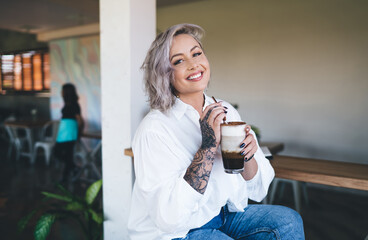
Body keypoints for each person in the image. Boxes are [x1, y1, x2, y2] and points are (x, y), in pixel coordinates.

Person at [128, 23, 305, 240]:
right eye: (179, 60)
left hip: (222, 215)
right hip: (177, 232)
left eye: (197, 53)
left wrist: (248, 155)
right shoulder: (154, 128)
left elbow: (259, 190)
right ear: (164, 73)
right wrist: (208, 146)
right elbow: (169, 218)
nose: (194, 64)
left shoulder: (225, 109)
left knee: (287, 221)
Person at [54, 83, 84, 182]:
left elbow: (80, 120)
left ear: (67, 92)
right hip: (64, 132)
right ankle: (73, 169)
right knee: (62, 154)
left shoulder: (75, 105)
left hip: (70, 132)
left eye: (62, 90)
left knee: (64, 153)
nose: (61, 92)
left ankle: (65, 177)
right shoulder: (67, 103)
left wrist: (79, 132)